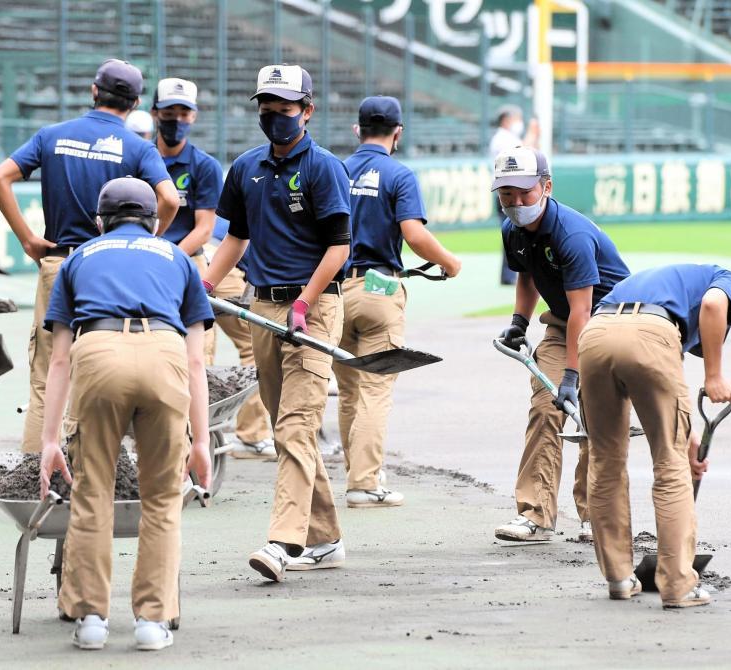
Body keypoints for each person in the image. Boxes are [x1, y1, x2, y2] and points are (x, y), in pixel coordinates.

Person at [38, 177, 213, 651]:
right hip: (165, 352)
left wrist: (50, 440)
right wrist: (201, 442)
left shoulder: (79, 256)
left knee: (93, 492)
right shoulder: (177, 257)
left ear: (100, 221)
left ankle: (91, 619)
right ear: (154, 223)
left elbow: (58, 360)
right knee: (161, 497)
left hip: (96, 352)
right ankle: (152, 623)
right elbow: (197, 360)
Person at [203, 64, 350, 581]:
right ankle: (325, 539)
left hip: (315, 308)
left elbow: (339, 246)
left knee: (294, 425)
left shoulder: (325, 168)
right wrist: (204, 284)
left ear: (307, 111)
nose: (274, 116)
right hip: (261, 307)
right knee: (290, 425)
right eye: (267, 107)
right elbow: (235, 241)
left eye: (285, 108)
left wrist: (307, 303)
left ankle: (283, 541)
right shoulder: (245, 168)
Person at [0, 58, 179, 453]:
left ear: (94, 92)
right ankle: (91, 464)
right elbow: (170, 199)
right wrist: (150, 236)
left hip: (60, 263)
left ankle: (36, 470)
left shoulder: (52, 135)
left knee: (47, 373)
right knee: (102, 364)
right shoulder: (137, 147)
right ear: (136, 102)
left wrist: (26, 237)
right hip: (111, 267)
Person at [579, 264, 731, 608]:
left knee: (604, 459)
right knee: (670, 466)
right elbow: (714, 306)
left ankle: (619, 578)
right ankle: (678, 585)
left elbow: (668, 392)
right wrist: (714, 374)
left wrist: (690, 439)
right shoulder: (724, 278)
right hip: (652, 332)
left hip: (595, 334)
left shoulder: (665, 285)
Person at [492, 146, 630, 543]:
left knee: (594, 418)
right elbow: (527, 274)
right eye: (506, 195)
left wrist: (571, 374)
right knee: (545, 408)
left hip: (609, 326)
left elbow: (583, 313)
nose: (516, 203)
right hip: (561, 325)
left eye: (525, 193)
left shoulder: (572, 234)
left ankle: (596, 516)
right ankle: (535, 514)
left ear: (546, 186)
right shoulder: (512, 229)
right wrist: (519, 322)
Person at [336, 95, 461, 508]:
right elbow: (414, 234)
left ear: (358, 130)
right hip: (378, 290)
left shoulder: (336, 170)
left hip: (335, 292)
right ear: (398, 133)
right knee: (375, 389)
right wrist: (449, 262)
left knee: (350, 392)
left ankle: (360, 474)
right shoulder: (398, 174)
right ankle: (365, 484)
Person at [150, 77, 221, 363]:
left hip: (188, 259)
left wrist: (170, 257)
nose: (176, 120)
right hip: (144, 259)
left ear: (194, 116)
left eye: (183, 114)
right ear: (155, 112)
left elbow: (204, 228)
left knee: (199, 349)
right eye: (168, 114)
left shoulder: (204, 166)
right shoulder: (140, 157)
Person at [208, 217, 275, 459]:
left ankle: (197, 432)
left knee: (199, 348)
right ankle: (252, 436)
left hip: (197, 261)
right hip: (224, 267)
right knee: (254, 346)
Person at [488, 104, 525, 286]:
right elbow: (522, 155)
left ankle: (511, 274)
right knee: (512, 234)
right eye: (516, 118)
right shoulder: (503, 139)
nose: (519, 123)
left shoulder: (505, 137)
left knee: (515, 234)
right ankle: (509, 275)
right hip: (506, 191)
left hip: (508, 190)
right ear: (506, 119)